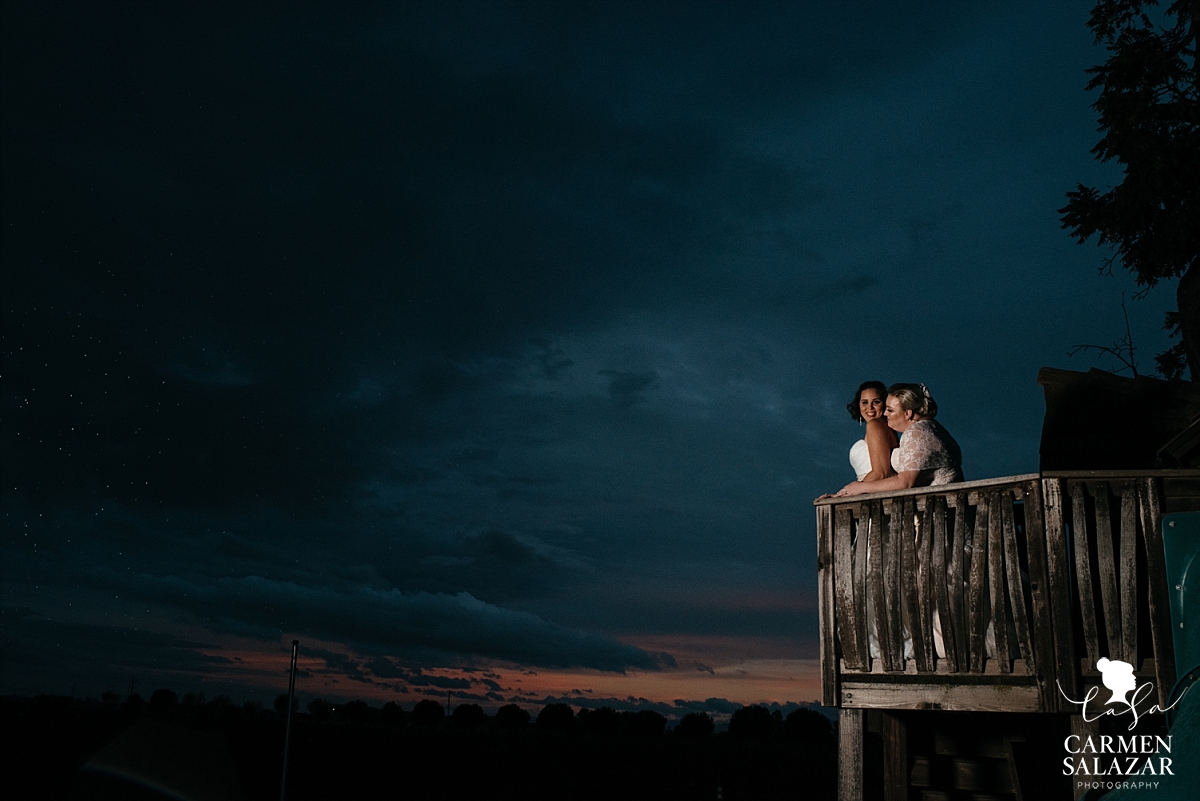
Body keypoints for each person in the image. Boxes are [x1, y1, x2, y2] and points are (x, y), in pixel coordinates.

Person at [834, 382, 962, 496]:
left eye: (890, 410)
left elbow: (904, 482)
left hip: (934, 509)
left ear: (908, 413)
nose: (885, 413)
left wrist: (855, 489)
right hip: (938, 504)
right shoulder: (932, 428)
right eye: (864, 402)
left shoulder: (916, 432)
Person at [847, 380, 899, 482]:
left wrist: (847, 494)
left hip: (876, 490)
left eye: (876, 402)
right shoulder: (885, 427)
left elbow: (880, 473)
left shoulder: (875, 425)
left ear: (885, 404)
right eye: (865, 402)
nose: (869, 407)